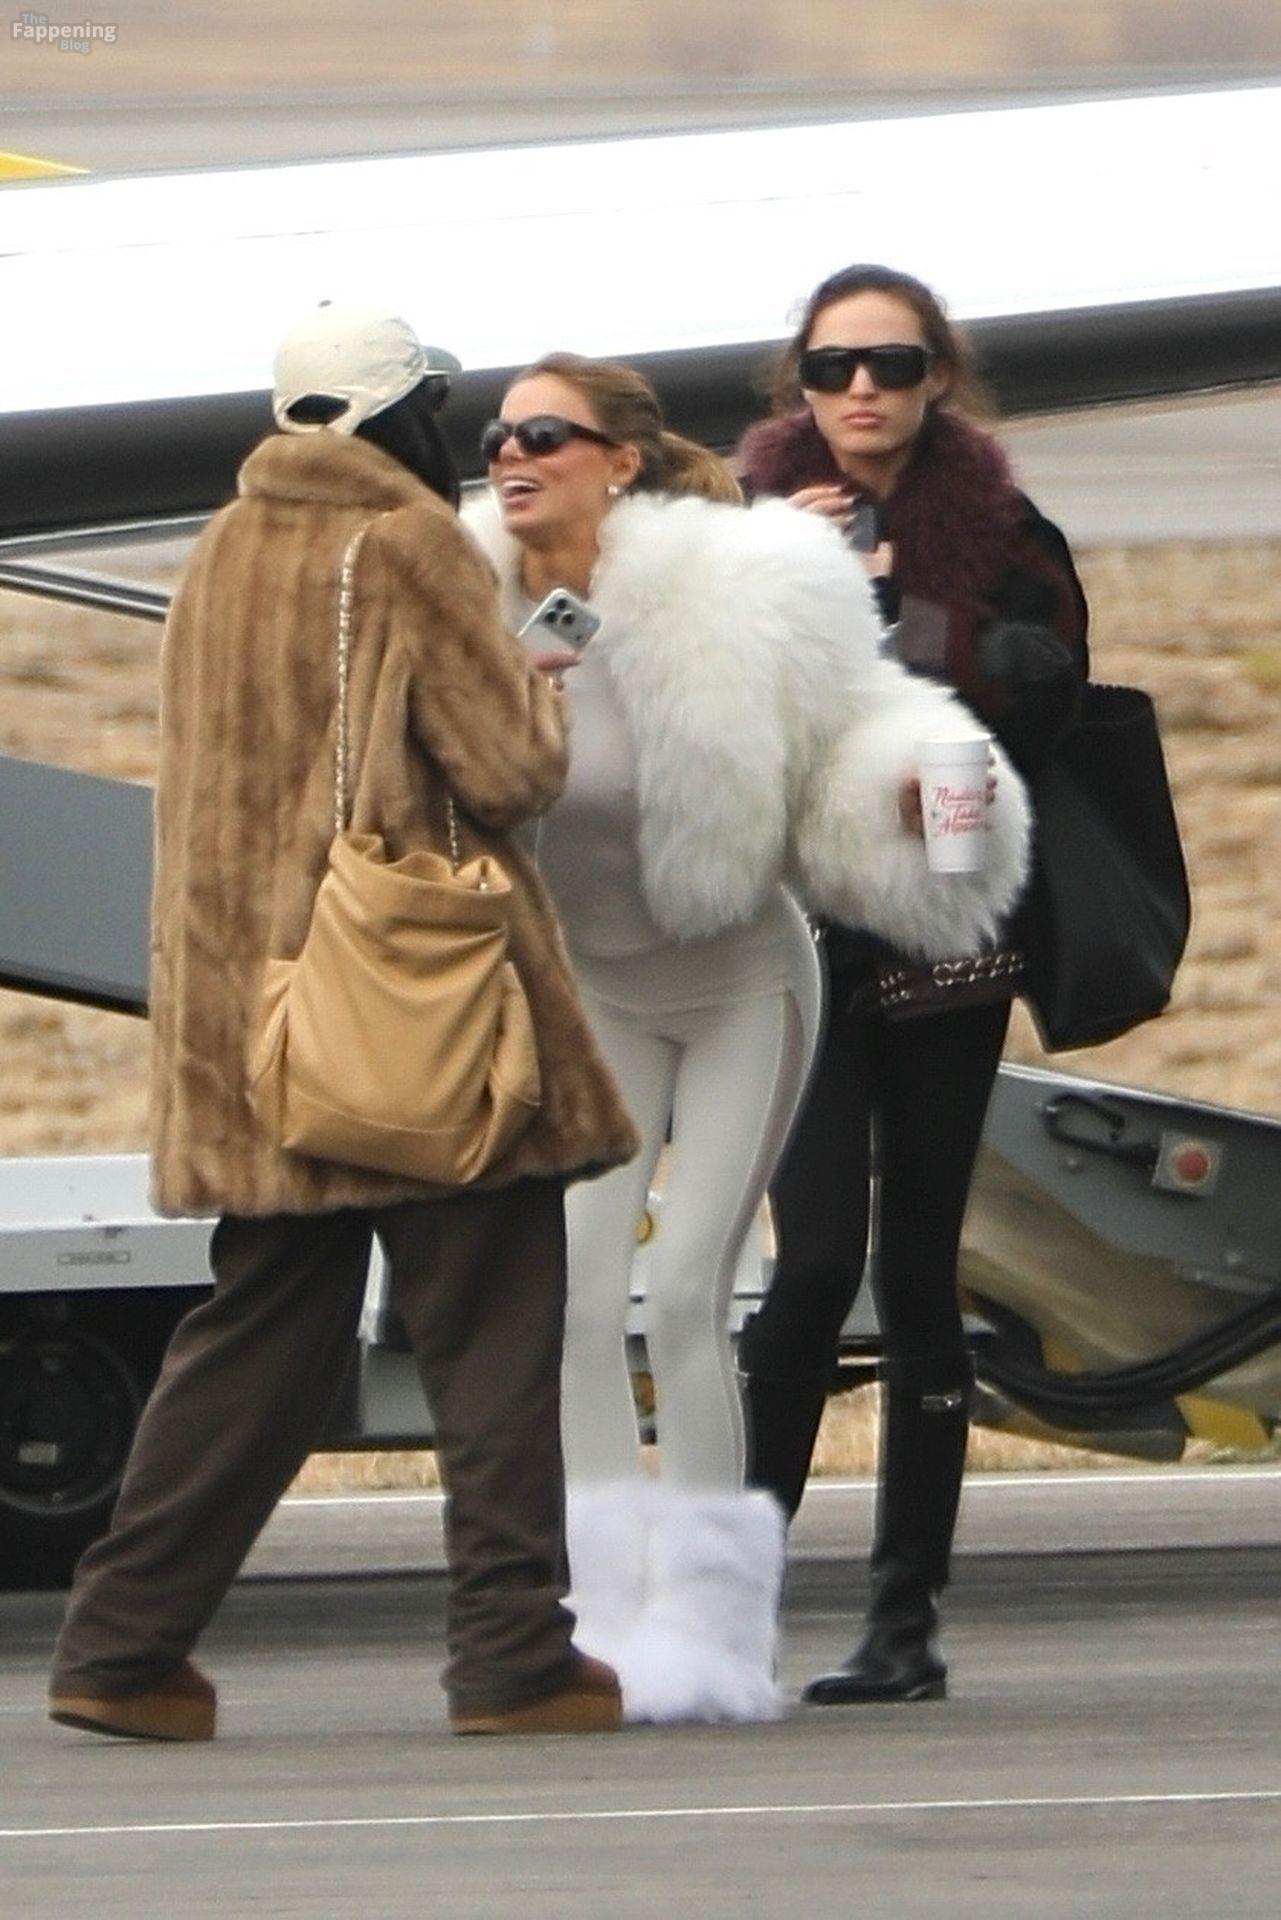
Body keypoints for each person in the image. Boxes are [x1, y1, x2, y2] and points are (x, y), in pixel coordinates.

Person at [47, 304, 639, 1743]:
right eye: (435, 405)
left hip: (253, 1023)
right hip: (404, 1005)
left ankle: (120, 1647)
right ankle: (512, 1654)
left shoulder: (223, 546)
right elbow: (506, 773)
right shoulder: (409, 544)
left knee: (256, 1340)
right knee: (491, 1330)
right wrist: (537, 686)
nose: (455, 430)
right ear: (391, 417)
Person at [463, 351, 1034, 1722]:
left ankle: (714, 1632)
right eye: (497, 434)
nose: (511, 454)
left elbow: (871, 720)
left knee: (682, 1295)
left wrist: (932, 801)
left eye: (545, 432)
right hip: (592, 989)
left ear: (621, 460)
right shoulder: (466, 592)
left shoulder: (743, 586)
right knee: (578, 1299)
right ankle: (604, 1621)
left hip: (738, 986)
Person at [736, 263, 1090, 1705]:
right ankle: (732, 1595)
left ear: (938, 374)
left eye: (890, 362)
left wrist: (906, 612)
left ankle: (904, 1618)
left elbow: (1052, 684)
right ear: (801, 384)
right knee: (813, 1264)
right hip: (799, 940)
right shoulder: (748, 520)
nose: (862, 390)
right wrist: (785, 581)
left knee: (919, 1274)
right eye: (833, 367)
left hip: (948, 938)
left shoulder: (1000, 527)